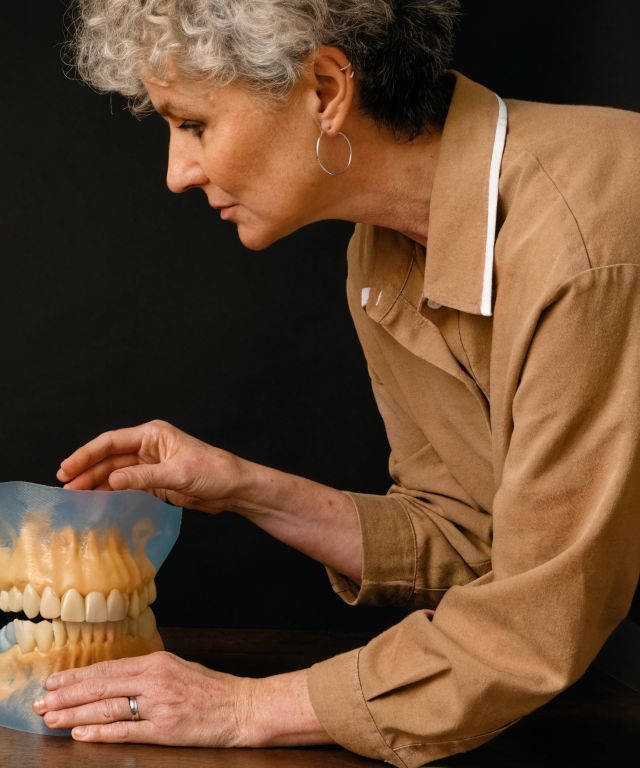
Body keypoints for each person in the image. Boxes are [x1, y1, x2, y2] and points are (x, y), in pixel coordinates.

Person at [32, 1, 640, 765]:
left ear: (325, 89)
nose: (176, 173)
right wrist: (241, 486)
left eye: (191, 124)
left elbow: (538, 622)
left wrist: (243, 708)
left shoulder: (585, 245)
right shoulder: (378, 258)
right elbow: (470, 541)